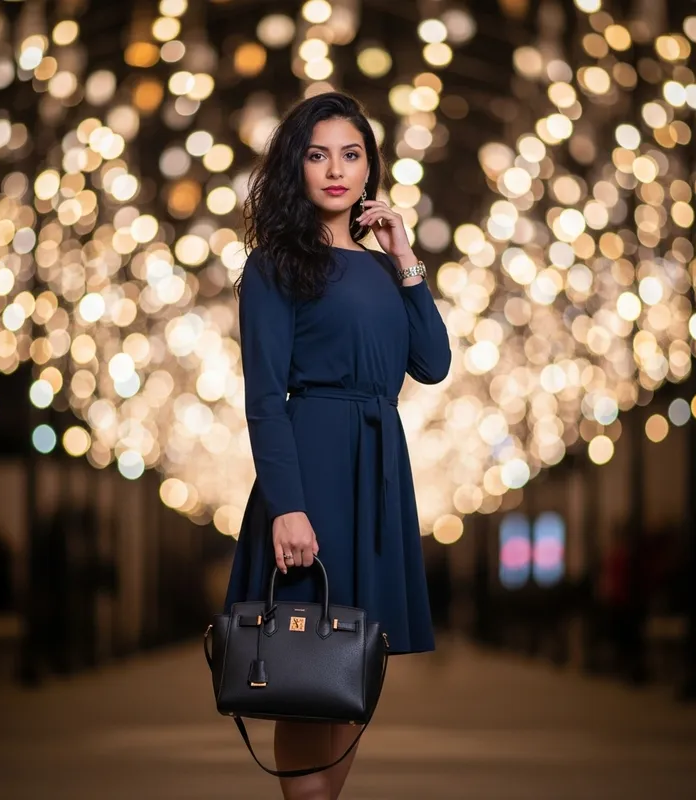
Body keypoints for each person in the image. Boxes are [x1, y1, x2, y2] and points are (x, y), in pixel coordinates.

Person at [224, 91, 452, 800]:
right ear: (296, 165)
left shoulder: (386, 269)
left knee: (355, 671)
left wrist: (405, 256)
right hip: (313, 471)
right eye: (318, 154)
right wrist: (287, 507)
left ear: (369, 168)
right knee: (303, 666)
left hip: (377, 474)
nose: (335, 170)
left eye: (351, 155)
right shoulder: (273, 265)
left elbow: (433, 362)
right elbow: (265, 398)